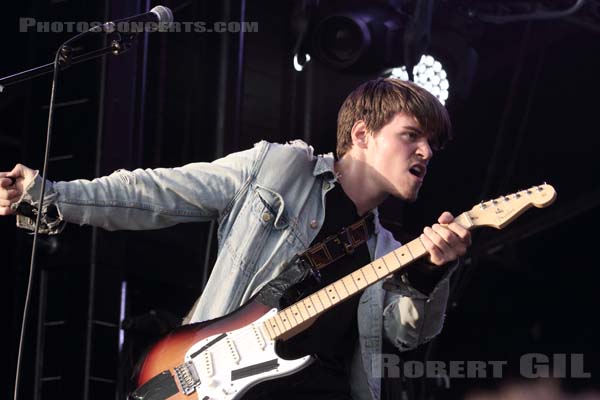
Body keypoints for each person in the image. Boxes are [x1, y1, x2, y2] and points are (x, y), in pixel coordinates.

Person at [0, 77, 471, 400]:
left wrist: (432, 273)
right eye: (412, 135)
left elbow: (406, 335)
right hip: (220, 380)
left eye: (433, 144)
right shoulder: (278, 168)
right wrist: (52, 195)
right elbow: (158, 191)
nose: (426, 152)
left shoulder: (389, 251)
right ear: (363, 133)